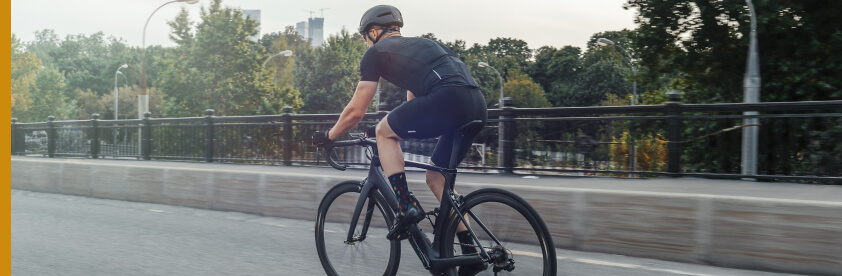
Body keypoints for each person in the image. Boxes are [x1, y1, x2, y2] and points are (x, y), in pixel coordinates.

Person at [312, 5, 487, 275]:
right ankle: (470, 251)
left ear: (373, 32)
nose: (365, 44)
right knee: (435, 178)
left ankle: (406, 205)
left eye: (364, 38)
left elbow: (356, 110)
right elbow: (413, 104)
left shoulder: (375, 53)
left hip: (448, 99)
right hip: (476, 105)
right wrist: (388, 128)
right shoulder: (422, 46)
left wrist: (329, 136)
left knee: (384, 131)